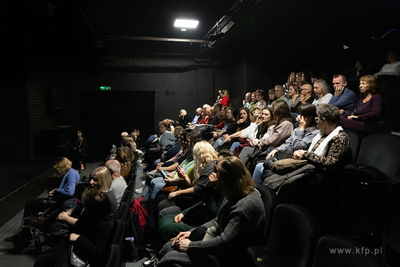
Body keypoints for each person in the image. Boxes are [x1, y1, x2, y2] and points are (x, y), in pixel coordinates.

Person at [142, 156, 266, 267]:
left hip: (230, 256)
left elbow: (225, 243)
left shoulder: (246, 205)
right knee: (172, 244)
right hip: (218, 239)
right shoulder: (234, 192)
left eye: (219, 177)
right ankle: (156, 261)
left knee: (173, 257)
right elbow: (217, 220)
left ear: (229, 180)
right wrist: (190, 232)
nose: (216, 179)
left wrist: (190, 246)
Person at [156, 150, 233, 247]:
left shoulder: (225, 187)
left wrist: (209, 188)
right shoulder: (216, 178)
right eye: (216, 162)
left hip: (204, 223)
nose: (215, 166)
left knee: (165, 225)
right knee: (164, 218)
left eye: (219, 163)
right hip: (197, 212)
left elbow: (213, 215)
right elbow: (202, 201)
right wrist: (184, 213)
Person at [5, 157, 80, 248]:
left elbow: (70, 191)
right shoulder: (72, 172)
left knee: (30, 204)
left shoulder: (71, 174)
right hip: (59, 200)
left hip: (57, 202)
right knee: (33, 204)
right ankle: (25, 233)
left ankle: (25, 235)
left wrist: (57, 190)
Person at [34, 190, 115, 267]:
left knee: (41, 262)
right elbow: (82, 224)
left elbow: (98, 252)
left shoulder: (105, 225)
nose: (84, 209)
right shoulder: (94, 217)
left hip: (82, 256)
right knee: (43, 256)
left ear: (94, 211)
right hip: (73, 246)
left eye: (86, 208)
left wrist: (78, 238)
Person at [252, 104, 320, 185]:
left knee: (260, 166)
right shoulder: (297, 130)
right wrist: (277, 149)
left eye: (301, 115)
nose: (298, 118)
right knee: (259, 162)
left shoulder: (314, 132)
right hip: (287, 155)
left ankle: (260, 192)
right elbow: (288, 144)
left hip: (297, 160)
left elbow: (298, 147)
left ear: (309, 118)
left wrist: (301, 129)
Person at [292, 104, 349, 168]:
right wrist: (299, 153)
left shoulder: (340, 138)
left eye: (317, 119)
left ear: (324, 121)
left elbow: (330, 162)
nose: (317, 122)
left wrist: (305, 154)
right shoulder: (322, 134)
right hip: (310, 167)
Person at [238, 100, 294, 165]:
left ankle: (239, 172)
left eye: (274, 110)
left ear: (279, 112)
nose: (273, 112)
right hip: (267, 148)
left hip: (275, 151)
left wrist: (261, 141)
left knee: (247, 151)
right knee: (244, 148)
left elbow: (274, 139)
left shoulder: (286, 124)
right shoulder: (279, 123)